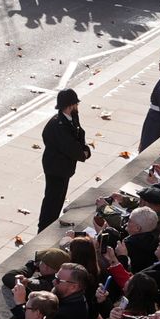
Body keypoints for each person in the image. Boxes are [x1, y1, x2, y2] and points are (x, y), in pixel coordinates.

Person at [39, 88, 92, 230]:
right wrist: (84, 153)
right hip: (56, 168)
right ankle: (44, 228)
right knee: (52, 201)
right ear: (70, 105)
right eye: (76, 104)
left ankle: (50, 224)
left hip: (63, 168)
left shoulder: (72, 118)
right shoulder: (58, 124)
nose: (77, 107)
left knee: (58, 198)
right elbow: (71, 147)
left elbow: (80, 134)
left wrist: (85, 148)